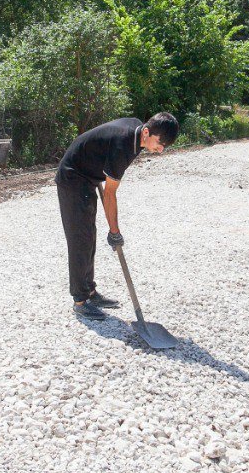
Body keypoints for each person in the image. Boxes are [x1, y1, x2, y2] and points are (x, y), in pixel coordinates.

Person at [56, 113, 180, 320]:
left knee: (89, 236)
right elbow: (111, 194)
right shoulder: (123, 146)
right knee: (80, 239)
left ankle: (90, 291)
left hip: (87, 175)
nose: (161, 149)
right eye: (160, 143)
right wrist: (115, 231)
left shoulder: (137, 130)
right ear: (147, 132)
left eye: (165, 146)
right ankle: (80, 301)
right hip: (73, 177)